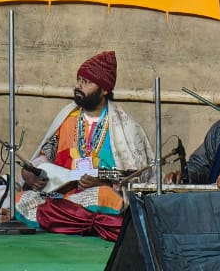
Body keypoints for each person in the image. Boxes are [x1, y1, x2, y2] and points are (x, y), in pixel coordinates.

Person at [15, 51, 154, 241]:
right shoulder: (67, 119)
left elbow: (138, 175)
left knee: (104, 197)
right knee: (19, 199)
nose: (78, 86)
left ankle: (61, 220)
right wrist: (29, 173)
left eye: (86, 82)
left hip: (99, 195)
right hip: (63, 195)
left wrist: (102, 182)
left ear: (104, 90)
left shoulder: (126, 127)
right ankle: (74, 220)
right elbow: (46, 155)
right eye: (78, 80)